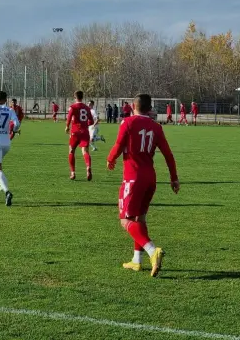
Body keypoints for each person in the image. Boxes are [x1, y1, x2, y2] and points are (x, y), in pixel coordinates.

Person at [107, 94, 180, 277]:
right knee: (140, 219)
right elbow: (168, 154)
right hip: (150, 179)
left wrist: (110, 159)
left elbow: (118, 144)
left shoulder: (128, 123)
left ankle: (151, 251)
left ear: (133, 106)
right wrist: (174, 178)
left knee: (126, 220)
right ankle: (136, 260)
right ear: (150, 108)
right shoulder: (156, 127)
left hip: (133, 178)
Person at [66, 91, 95, 181]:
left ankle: (73, 173)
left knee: (71, 151)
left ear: (75, 97)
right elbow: (91, 121)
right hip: (85, 132)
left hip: (75, 132)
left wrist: (67, 126)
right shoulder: (87, 108)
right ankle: (88, 167)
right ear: (82, 97)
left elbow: (69, 117)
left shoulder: (73, 107)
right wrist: (86, 124)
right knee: (85, 151)